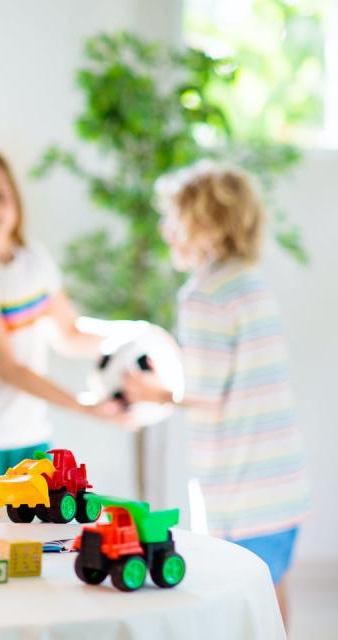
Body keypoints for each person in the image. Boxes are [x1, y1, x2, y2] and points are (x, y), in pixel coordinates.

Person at [124, 160, 311, 627]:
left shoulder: (205, 295)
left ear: (204, 225)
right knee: (271, 593)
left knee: (237, 602)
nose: (166, 229)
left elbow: (204, 392)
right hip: (283, 486)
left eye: (174, 218)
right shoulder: (251, 283)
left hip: (240, 492)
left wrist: (151, 391)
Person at [0, 146, 122, 496]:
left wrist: (132, 334)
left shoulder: (36, 260)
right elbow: (7, 368)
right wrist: (82, 405)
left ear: (15, 197)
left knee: (35, 541)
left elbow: (69, 333)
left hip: (32, 436)